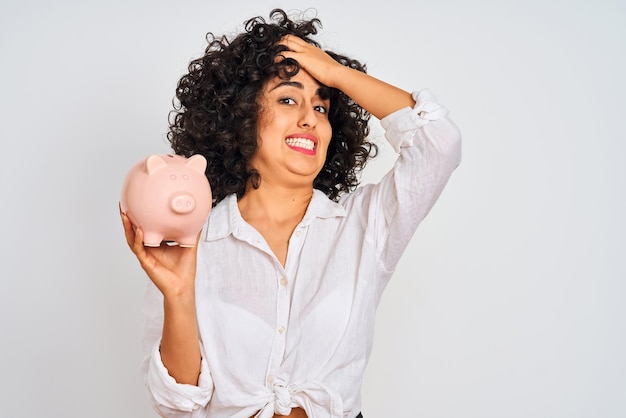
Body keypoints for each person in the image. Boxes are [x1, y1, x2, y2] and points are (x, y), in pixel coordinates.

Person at [121, 8, 461, 418]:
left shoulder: (364, 227)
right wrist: (177, 296)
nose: (309, 118)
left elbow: (437, 144)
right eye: (288, 98)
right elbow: (175, 405)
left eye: (322, 107)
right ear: (241, 117)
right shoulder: (195, 241)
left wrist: (335, 74)